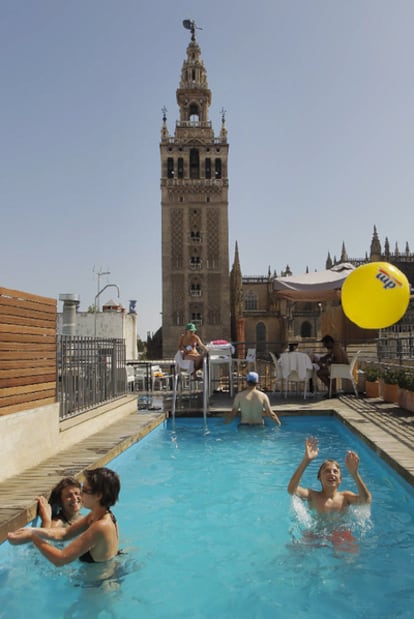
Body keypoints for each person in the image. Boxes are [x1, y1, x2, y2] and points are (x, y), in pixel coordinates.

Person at [8, 467, 121, 566]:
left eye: (85, 491)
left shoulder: (101, 526)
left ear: (98, 496)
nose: (80, 494)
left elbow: (60, 559)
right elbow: (64, 534)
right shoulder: (99, 515)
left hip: (100, 586)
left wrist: (33, 537)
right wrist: (33, 530)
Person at [287, 436, 372, 513]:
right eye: (327, 471)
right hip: (317, 530)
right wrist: (306, 460)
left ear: (340, 479)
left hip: (341, 529)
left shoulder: (345, 497)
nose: (332, 474)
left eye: (335, 471)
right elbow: (291, 490)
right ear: (319, 477)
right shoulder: (312, 496)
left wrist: (354, 474)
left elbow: (366, 500)